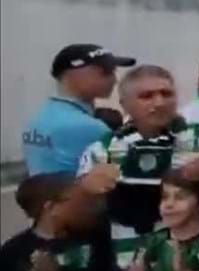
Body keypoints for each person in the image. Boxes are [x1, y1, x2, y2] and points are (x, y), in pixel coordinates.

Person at [76, 65, 199, 271]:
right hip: (130, 259)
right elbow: (82, 208)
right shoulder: (104, 149)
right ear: (125, 104)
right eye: (146, 96)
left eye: (166, 94)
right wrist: (88, 188)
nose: (159, 103)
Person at [23, 43, 135, 177]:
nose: (114, 79)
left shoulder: (39, 118)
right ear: (73, 73)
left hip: (43, 196)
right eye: (105, 72)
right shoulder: (90, 127)